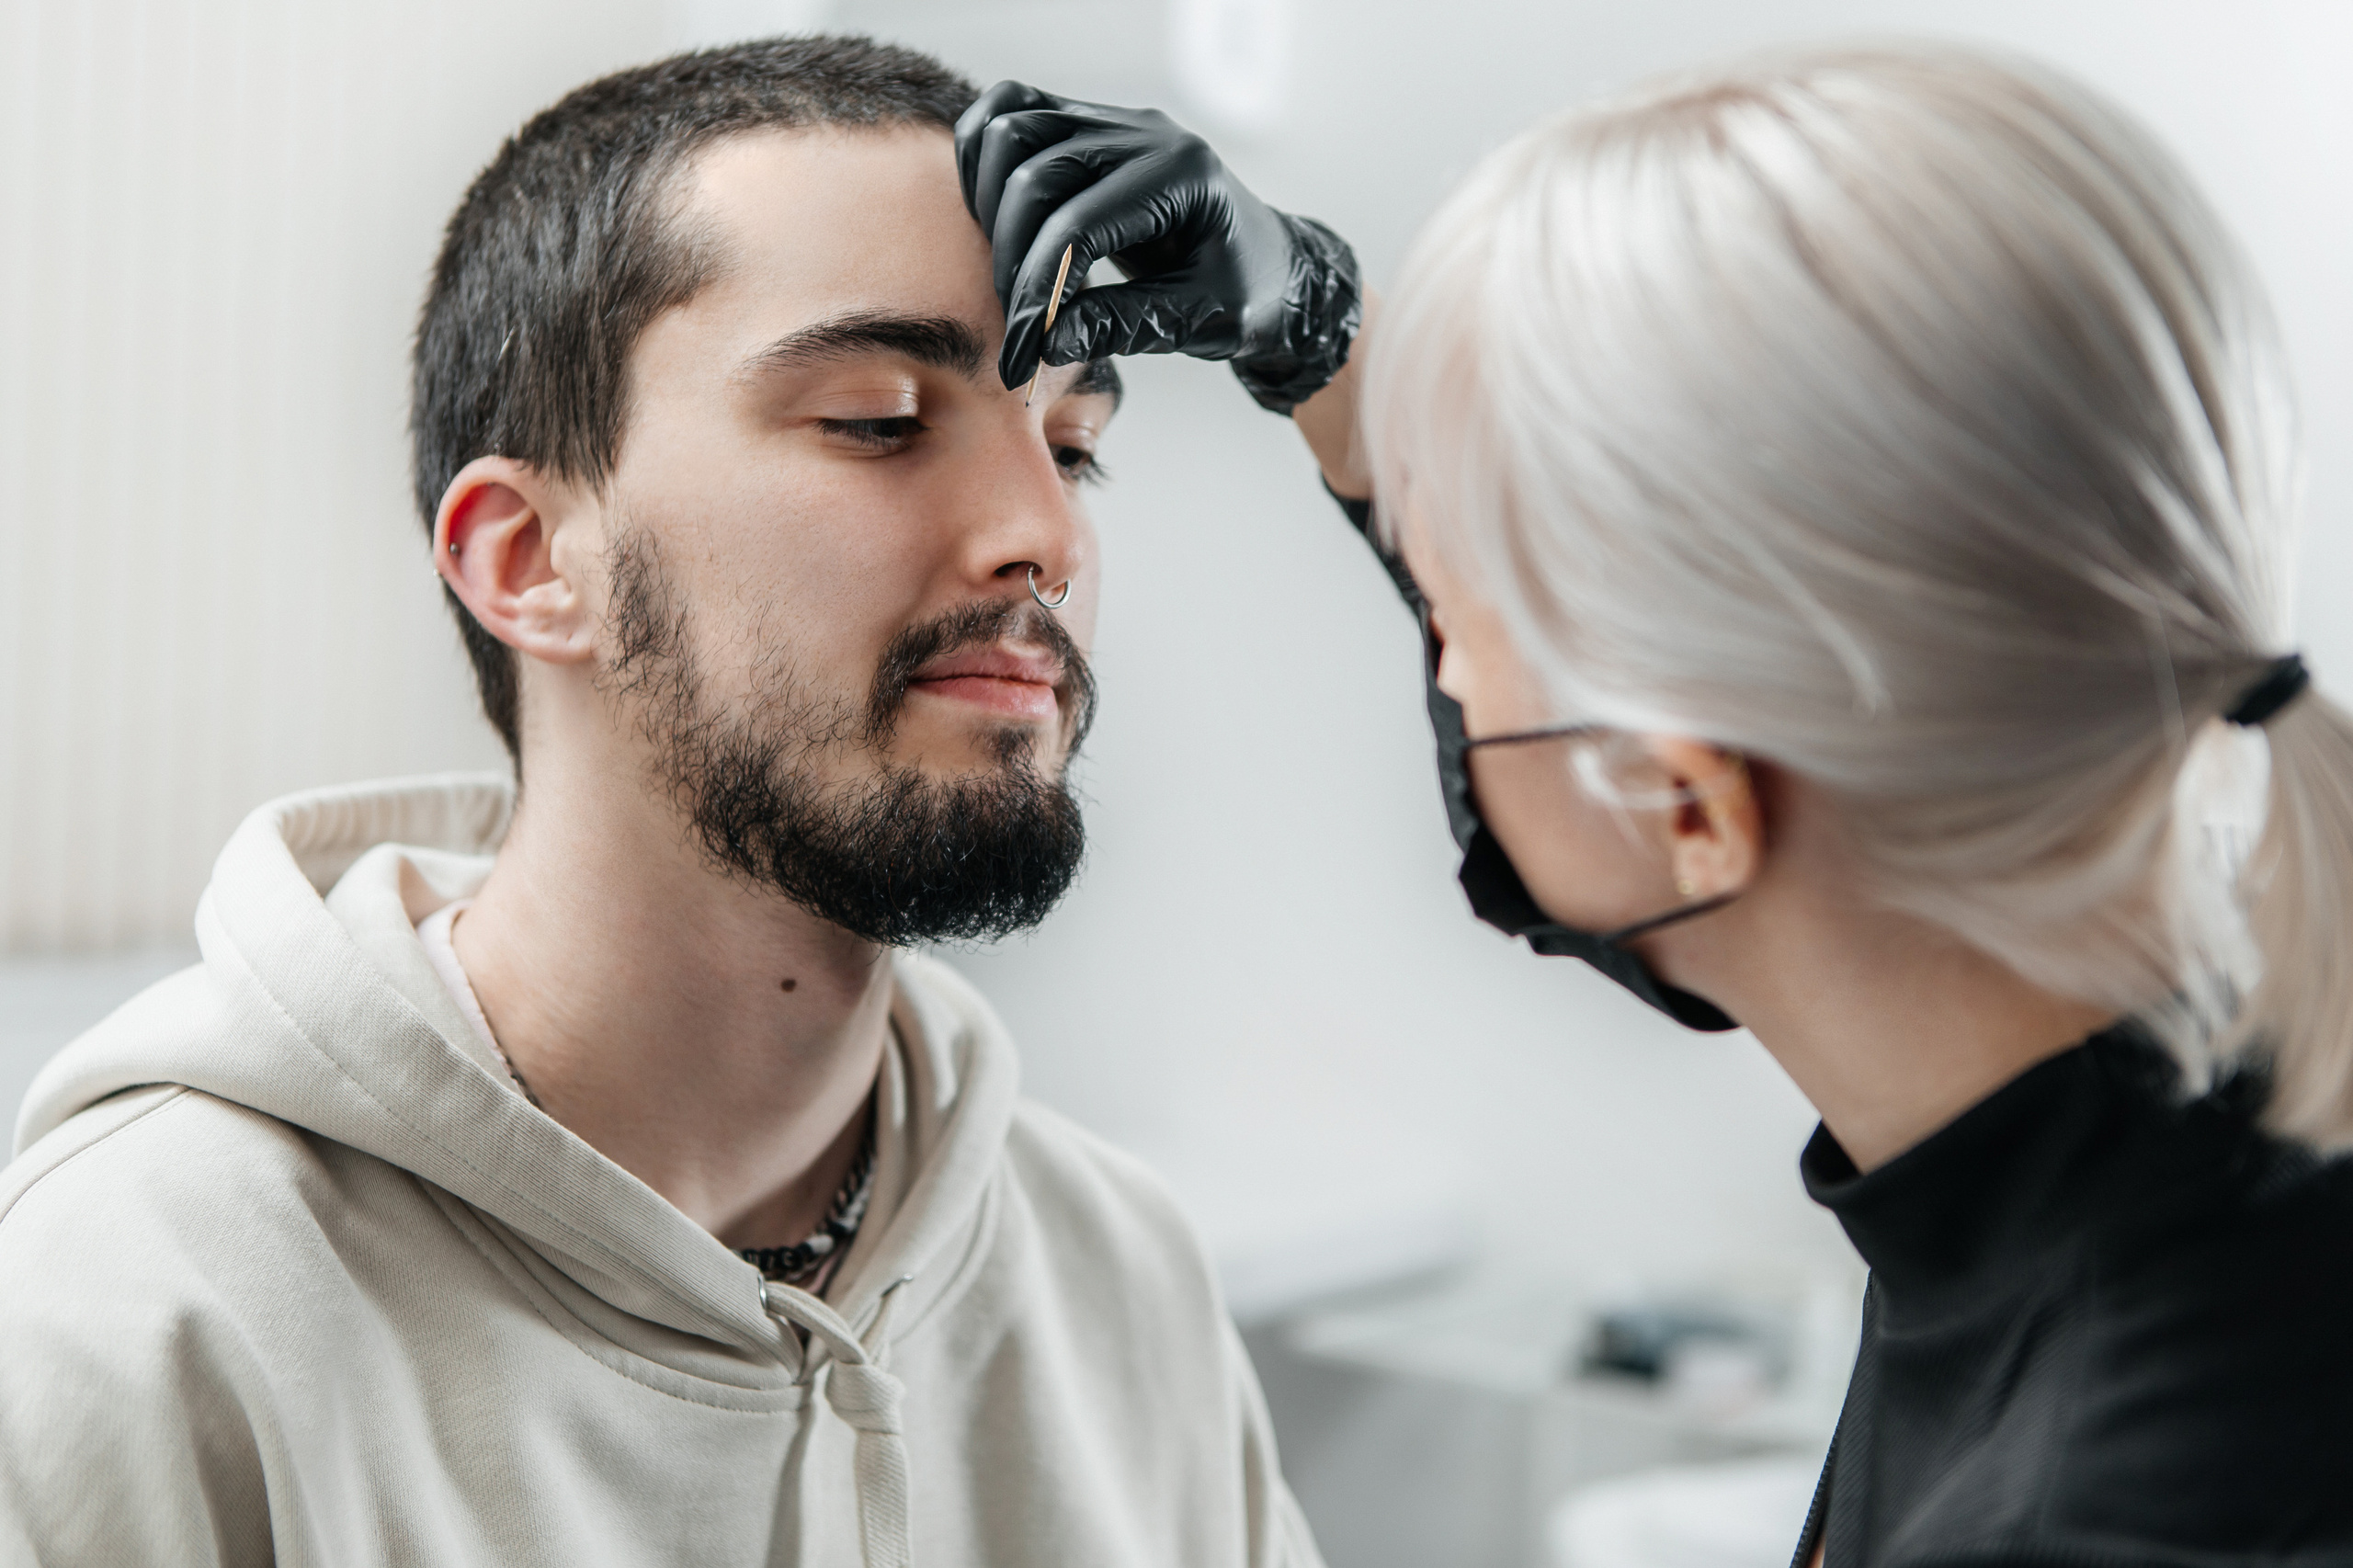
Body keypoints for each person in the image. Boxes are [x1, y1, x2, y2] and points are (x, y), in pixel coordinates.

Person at [956, 44, 2353, 1565]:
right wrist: (1310, 329)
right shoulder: (2166, 1126)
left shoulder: (2112, 1507)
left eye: (1464, 622)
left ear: (1692, 805)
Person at [0, 37, 1324, 1568]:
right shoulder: (125, 1317)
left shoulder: (1118, 1272)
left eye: (1075, 449)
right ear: (527, 559)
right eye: (881, 420)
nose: (1042, 534)